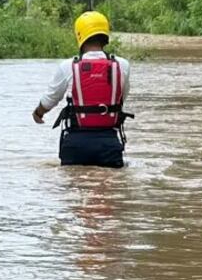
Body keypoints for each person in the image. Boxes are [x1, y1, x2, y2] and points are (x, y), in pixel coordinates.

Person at [32, 11, 132, 168]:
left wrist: (38, 113)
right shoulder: (122, 65)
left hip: (75, 145)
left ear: (80, 36)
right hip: (109, 144)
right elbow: (121, 97)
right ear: (105, 35)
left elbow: (49, 100)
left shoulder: (67, 66)